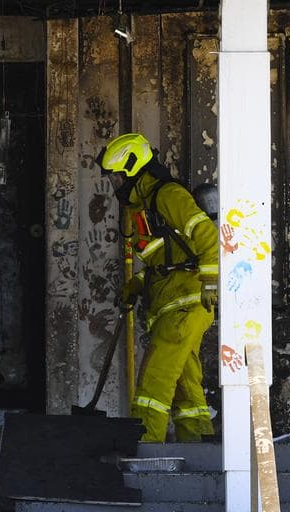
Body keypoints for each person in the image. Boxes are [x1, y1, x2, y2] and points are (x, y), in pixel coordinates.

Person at [98, 132, 219, 442]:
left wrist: (209, 281)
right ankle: (198, 445)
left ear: (132, 170)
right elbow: (165, 261)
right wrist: (137, 284)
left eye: (116, 177)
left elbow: (206, 234)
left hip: (187, 302)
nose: (114, 185)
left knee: (155, 378)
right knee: (185, 385)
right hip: (172, 301)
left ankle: (145, 445)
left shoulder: (167, 195)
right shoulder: (143, 206)